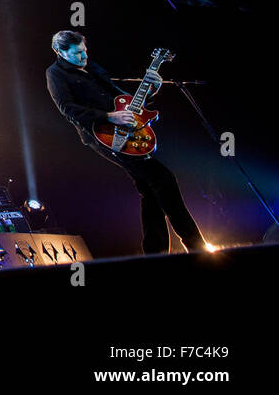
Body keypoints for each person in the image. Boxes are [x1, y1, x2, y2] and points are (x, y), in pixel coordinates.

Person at [45, 30, 208, 254]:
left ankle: (155, 251)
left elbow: (121, 96)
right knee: (163, 179)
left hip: (125, 128)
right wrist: (108, 116)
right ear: (59, 52)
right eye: (77, 53)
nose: (84, 56)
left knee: (149, 188)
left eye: (84, 50)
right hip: (102, 134)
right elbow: (67, 109)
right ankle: (195, 246)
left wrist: (150, 89)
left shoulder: (92, 66)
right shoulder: (55, 74)